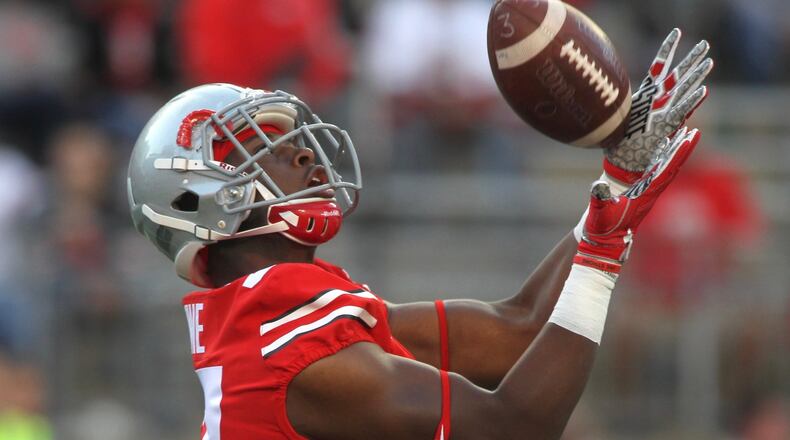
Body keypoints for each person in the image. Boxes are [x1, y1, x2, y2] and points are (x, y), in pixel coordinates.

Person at [127, 29, 712, 439]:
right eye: (268, 148)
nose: (304, 153)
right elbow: (515, 428)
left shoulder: (284, 321)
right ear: (207, 199)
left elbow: (517, 333)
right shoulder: (293, 357)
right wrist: (603, 253)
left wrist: (613, 185)